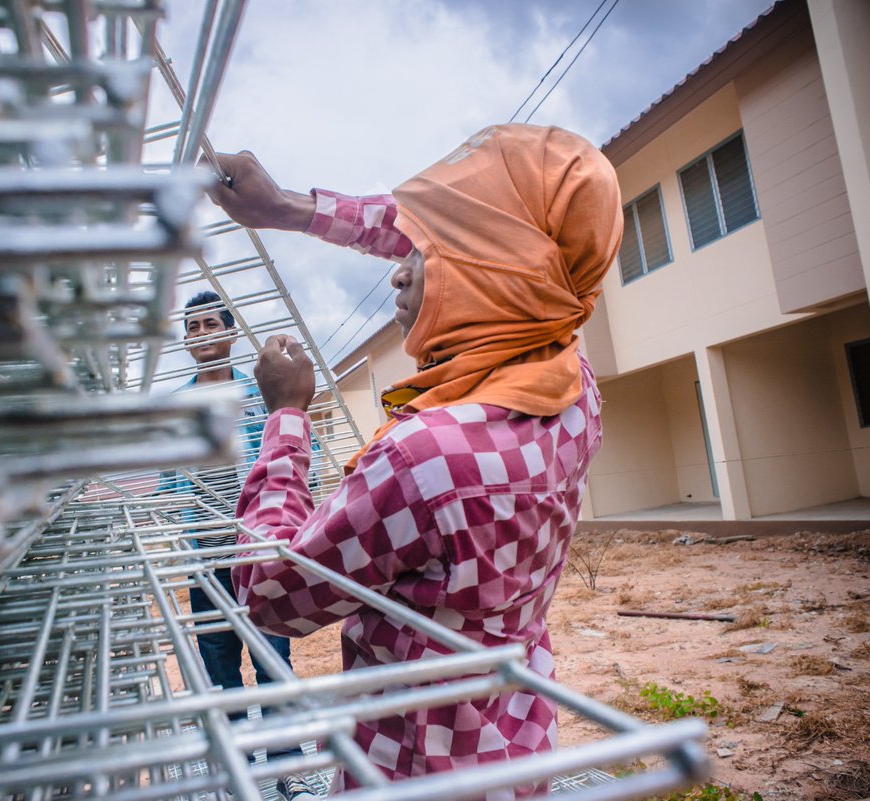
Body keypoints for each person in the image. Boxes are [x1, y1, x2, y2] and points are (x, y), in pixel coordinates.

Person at [207, 124, 623, 799]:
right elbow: (446, 237)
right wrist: (285, 206)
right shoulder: (574, 387)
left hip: (409, 770)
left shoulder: (423, 460)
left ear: (495, 270)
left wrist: (286, 416)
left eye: (432, 251)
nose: (400, 266)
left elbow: (269, 592)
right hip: (515, 751)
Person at [160, 291, 310, 788]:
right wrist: (176, 526)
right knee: (219, 668)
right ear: (185, 341)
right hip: (203, 557)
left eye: (210, 324)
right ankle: (238, 777)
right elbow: (166, 479)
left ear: (231, 332)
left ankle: (289, 772)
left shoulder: (260, 396)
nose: (201, 334)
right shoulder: (176, 406)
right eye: (193, 327)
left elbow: (281, 460)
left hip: (255, 554)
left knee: (273, 661)